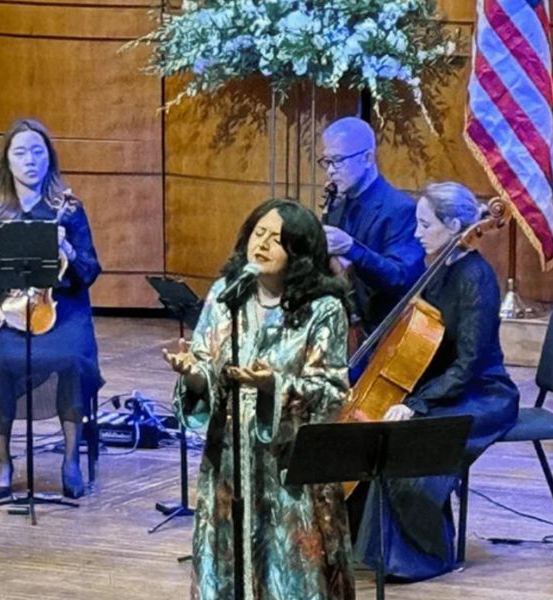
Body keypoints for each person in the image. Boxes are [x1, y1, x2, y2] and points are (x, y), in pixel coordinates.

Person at [163, 199, 356, 599]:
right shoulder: (225, 295)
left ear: (300, 252)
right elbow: (204, 358)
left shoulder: (323, 309)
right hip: (229, 465)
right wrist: (195, 376)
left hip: (290, 473)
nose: (263, 244)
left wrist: (276, 387)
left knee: (290, 575)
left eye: (278, 239)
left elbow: (333, 391)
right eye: (259, 233)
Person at [354, 182, 519, 581]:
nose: (416, 234)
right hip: (445, 387)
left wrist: (417, 403)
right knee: (371, 435)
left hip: (482, 395)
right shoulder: (436, 268)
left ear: (456, 226)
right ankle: (374, 549)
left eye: (425, 224)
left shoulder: (475, 279)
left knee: (407, 447)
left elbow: (468, 365)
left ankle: (427, 554)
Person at [0, 118, 103, 499]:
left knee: (74, 357)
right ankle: (4, 460)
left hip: (60, 310)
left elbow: (90, 270)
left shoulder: (68, 210)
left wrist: (69, 251)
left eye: (38, 152)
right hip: (5, 311)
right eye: (21, 153)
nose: (30, 161)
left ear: (49, 159)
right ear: (6, 161)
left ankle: (71, 459)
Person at [319, 116, 425, 341]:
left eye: (338, 161)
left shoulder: (400, 209)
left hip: (380, 333)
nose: (330, 171)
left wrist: (352, 249)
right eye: (326, 162)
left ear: (367, 158)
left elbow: (402, 278)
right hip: (339, 328)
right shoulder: (336, 203)